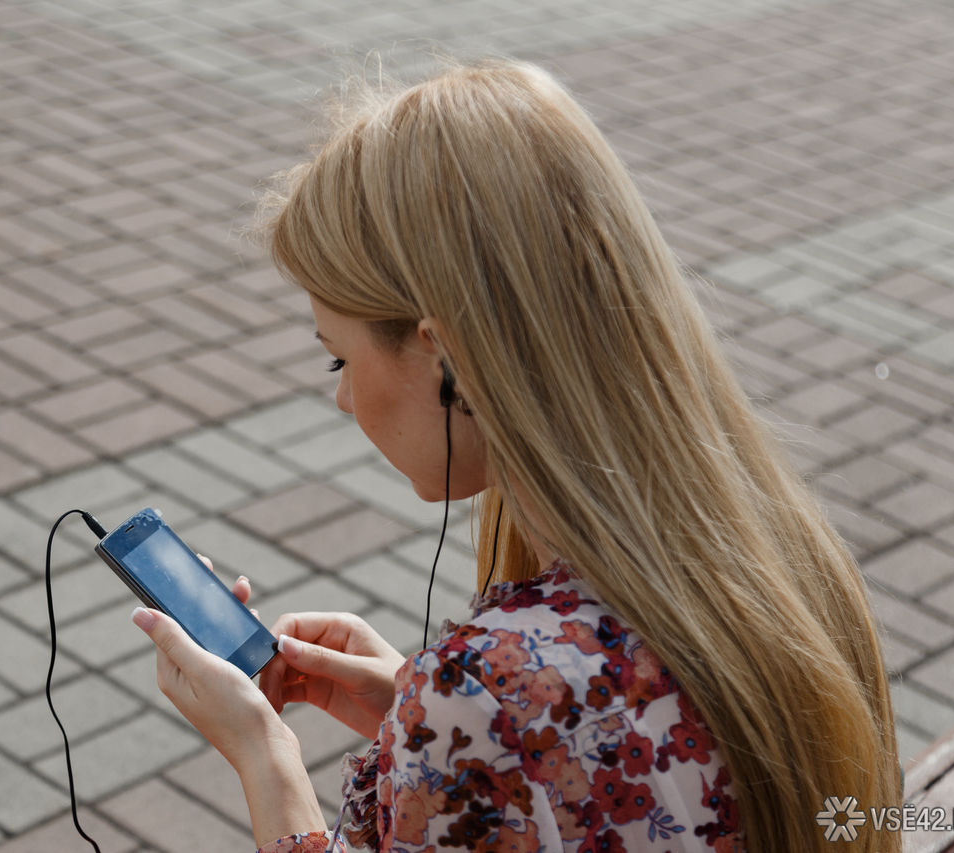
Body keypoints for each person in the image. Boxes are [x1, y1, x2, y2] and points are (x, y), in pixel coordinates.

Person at [130, 58, 902, 852]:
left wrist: (266, 755)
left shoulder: (488, 695)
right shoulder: (770, 552)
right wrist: (426, 734)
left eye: (338, 359)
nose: (343, 399)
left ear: (446, 359)